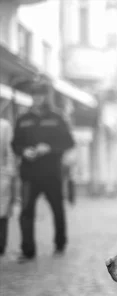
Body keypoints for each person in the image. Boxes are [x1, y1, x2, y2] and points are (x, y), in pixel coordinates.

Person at [11, 80, 75, 262]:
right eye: (34, 95)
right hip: (29, 173)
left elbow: (69, 142)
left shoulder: (57, 118)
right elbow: (15, 144)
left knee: (57, 209)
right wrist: (24, 151)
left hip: (51, 173)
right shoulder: (23, 119)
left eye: (40, 95)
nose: (37, 98)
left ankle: (60, 243)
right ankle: (27, 250)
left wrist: (49, 148)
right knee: (26, 211)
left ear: (46, 97)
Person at [0, 113, 17, 257]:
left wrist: (9, 173)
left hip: (1, 175)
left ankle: (1, 244)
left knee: (2, 211)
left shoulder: (4, 126)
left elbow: (10, 152)